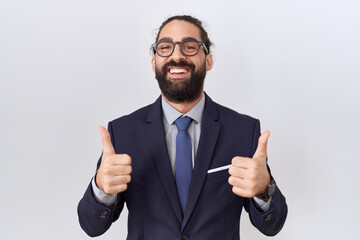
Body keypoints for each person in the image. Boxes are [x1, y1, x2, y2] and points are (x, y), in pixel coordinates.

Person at [77, 15, 288, 240]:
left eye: (189, 47)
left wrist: (265, 189)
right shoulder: (123, 133)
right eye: (165, 47)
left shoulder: (243, 131)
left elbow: (271, 226)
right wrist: (100, 189)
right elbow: (92, 227)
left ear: (208, 60)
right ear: (154, 63)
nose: (176, 55)